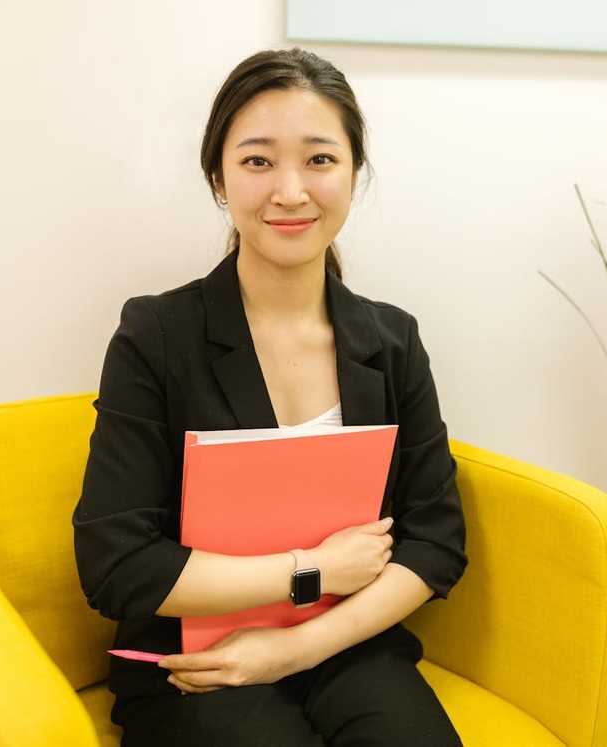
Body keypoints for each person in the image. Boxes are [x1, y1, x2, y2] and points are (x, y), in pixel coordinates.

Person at [72, 47, 468, 746]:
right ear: (218, 177)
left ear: (353, 174)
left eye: (320, 159)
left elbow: (434, 539)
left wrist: (296, 647)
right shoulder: (155, 336)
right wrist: (312, 570)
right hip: (190, 660)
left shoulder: (392, 340)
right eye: (258, 160)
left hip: (346, 644)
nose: (290, 191)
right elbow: (116, 564)